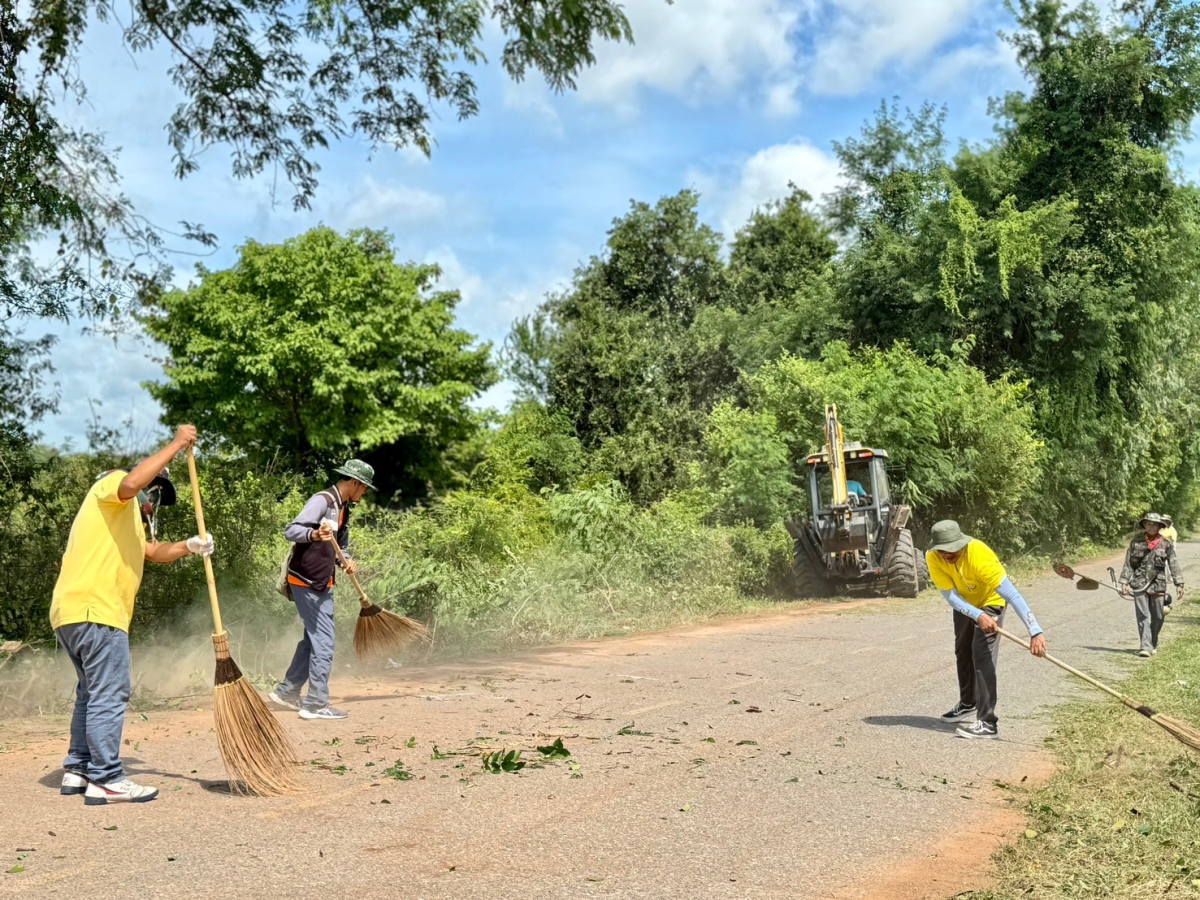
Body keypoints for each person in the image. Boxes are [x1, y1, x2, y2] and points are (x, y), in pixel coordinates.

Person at [50, 425, 215, 805]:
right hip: (97, 611)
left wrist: (191, 546)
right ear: (144, 479)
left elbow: (153, 552)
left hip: (74, 613)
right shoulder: (112, 488)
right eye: (155, 490)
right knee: (111, 691)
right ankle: (107, 777)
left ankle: (78, 768)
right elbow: (128, 485)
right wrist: (176, 445)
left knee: (91, 693)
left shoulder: (127, 521)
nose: (154, 501)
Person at [269, 460, 375, 720]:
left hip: (322, 582)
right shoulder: (322, 501)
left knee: (312, 640)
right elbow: (292, 530)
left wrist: (345, 561)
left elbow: (341, 546)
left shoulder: (343, 508)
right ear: (355, 483)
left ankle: (288, 692)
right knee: (324, 644)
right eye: (364, 488)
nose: (364, 493)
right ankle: (316, 704)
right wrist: (314, 535)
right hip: (307, 581)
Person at [926, 520, 1047, 740]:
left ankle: (987, 722)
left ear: (961, 542)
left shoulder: (980, 555)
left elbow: (1013, 595)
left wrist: (1035, 631)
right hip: (965, 603)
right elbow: (950, 596)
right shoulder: (933, 557)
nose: (947, 554)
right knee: (962, 652)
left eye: (952, 548)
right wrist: (977, 615)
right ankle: (967, 703)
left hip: (991, 600)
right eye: (942, 549)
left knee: (981, 655)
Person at [1119, 512, 1185, 657]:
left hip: (1158, 584)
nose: (1151, 526)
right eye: (1148, 523)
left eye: (1155, 524)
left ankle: (1153, 641)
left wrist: (1179, 583)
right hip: (1139, 583)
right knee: (1142, 615)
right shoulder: (1136, 542)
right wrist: (1124, 581)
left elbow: (1173, 564)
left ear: (1160, 526)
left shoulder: (1165, 543)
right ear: (1144, 525)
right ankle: (1145, 646)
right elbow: (1129, 564)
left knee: (1158, 616)